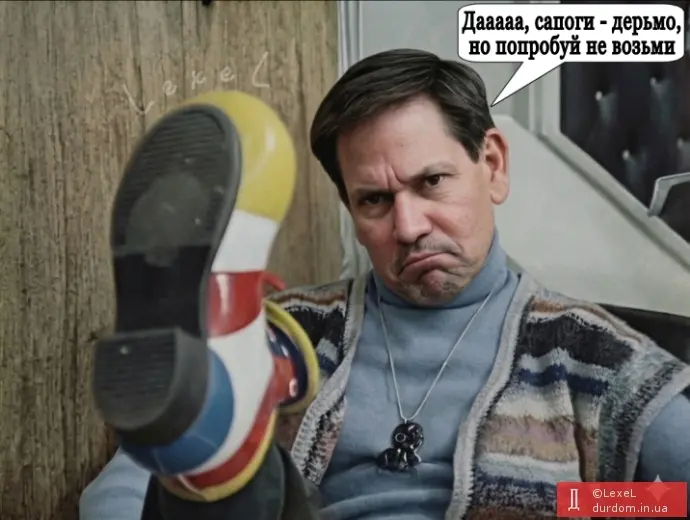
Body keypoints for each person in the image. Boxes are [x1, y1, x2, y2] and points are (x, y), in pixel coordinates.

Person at [80, 49, 690, 520]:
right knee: (227, 467)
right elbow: (121, 489)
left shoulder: (591, 352)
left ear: (493, 165)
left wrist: (575, 504)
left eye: (431, 183)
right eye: (374, 200)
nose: (408, 226)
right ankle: (222, 436)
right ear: (349, 208)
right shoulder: (293, 334)